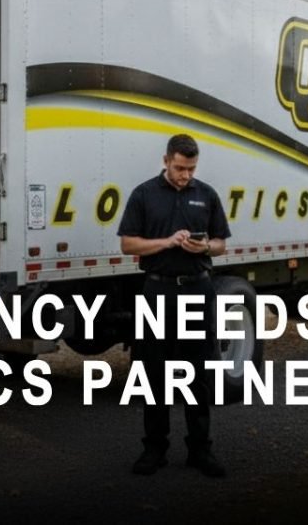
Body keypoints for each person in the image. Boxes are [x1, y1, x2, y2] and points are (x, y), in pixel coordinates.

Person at [117, 133, 231, 477]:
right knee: (154, 375)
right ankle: (154, 450)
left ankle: (200, 450)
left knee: (199, 375)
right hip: (158, 292)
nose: (185, 175)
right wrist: (167, 242)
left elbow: (222, 243)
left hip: (198, 290)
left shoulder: (206, 194)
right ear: (166, 160)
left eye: (191, 169)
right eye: (180, 168)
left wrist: (205, 248)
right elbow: (127, 244)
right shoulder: (144, 194)